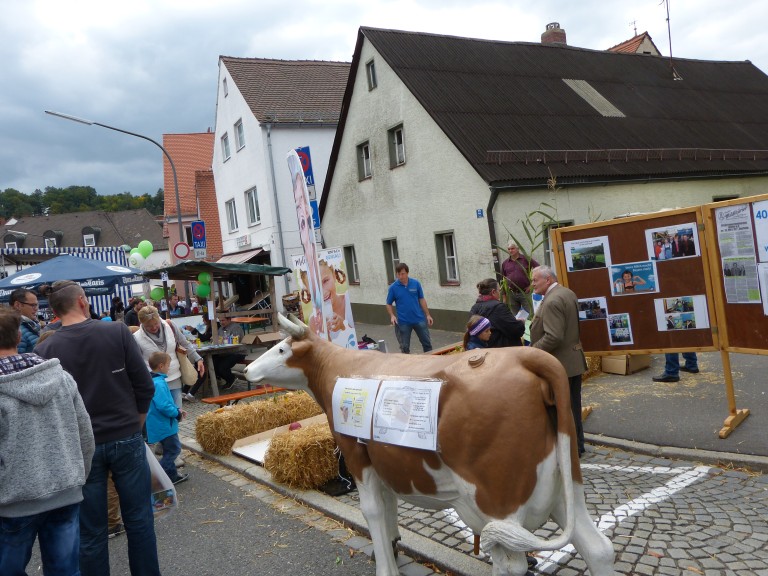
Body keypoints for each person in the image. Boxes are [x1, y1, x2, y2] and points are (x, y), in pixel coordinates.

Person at [33, 280, 161, 576]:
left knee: (91, 532)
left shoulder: (46, 348)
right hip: (125, 435)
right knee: (140, 522)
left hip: (81, 446)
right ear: (82, 301)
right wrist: (136, 423)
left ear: (54, 310)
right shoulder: (116, 331)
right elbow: (144, 385)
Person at [0, 308, 95, 575]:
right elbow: (85, 434)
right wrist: (78, 475)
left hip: (12, 499)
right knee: (65, 570)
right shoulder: (62, 378)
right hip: (65, 489)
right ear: (19, 336)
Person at [530, 265, 588, 456]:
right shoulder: (566, 292)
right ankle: (577, 445)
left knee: (565, 408)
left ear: (548, 280)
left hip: (560, 364)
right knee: (572, 406)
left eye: (535, 280)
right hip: (571, 360)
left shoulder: (553, 300)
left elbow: (554, 337)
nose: (532, 284)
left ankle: (572, 448)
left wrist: (532, 352)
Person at [134, 305, 205, 408]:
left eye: (156, 323)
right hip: (154, 382)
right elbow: (137, 362)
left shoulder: (170, 326)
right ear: (142, 323)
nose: (154, 327)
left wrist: (198, 358)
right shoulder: (136, 338)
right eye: (149, 326)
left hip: (174, 376)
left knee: (177, 413)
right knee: (161, 415)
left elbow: (185, 343)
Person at [146, 351, 189, 484]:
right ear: (161, 366)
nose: (169, 367)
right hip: (164, 425)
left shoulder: (155, 380)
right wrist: (176, 414)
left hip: (161, 424)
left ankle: (170, 475)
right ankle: (166, 477)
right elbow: (164, 406)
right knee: (174, 449)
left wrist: (177, 409)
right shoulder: (158, 383)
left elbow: (165, 402)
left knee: (169, 450)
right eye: (168, 365)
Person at [386, 263, 433, 354]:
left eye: (403, 274)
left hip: (419, 319)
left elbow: (421, 299)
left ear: (407, 273)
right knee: (404, 347)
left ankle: (430, 363)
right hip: (404, 322)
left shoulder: (416, 284)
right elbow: (388, 304)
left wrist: (428, 315)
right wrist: (392, 315)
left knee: (427, 344)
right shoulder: (393, 288)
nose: (400, 276)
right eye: (398, 274)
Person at [469, 278, 525, 347]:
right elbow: (516, 331)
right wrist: (521, 323)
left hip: (483, 350)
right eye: (499, 290)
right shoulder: (498, 307)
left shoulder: (474, 308)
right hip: (502, 351)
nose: (500, 293)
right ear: (493, 292)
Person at [501, 242, 539, 315]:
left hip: (525, 292)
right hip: (511, 294)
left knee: (530, 314)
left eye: (512, 248)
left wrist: (532, 285)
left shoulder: (526, 259)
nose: (510, 251)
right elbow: (503, 279)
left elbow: (539, 269)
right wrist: (504, 295)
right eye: (509, 249)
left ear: (517, 249)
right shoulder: (505, 263)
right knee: (515, 316)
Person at [214, 315, 247, 390]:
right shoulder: (220, 329)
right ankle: (229, 380)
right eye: (220, 321)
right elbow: (219, 339)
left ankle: (231, 379)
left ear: (229, 320)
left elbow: (235, 341)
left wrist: (222, 340)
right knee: (213, 364)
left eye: (223, 320)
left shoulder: (235, 327)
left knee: (222, 367)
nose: (221, 322)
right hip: (226, 352)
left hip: (238, 352)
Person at [10, 288, 41, 353]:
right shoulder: (14, 328)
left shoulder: (29, 325)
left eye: (37, 305)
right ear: (17, 305)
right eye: (33, 305)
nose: (36, 309)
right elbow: (18, 360)